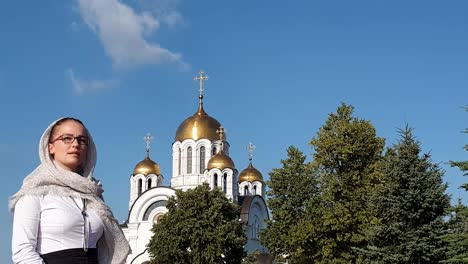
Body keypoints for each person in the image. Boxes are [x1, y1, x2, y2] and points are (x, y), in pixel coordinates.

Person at [10, 117, 130, 264]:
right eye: (67, 138)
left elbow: (103, 249)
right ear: (50, 147)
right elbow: (23, 253)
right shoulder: (35, 192)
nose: (75, 144)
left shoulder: (92, 193)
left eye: (82, 140)